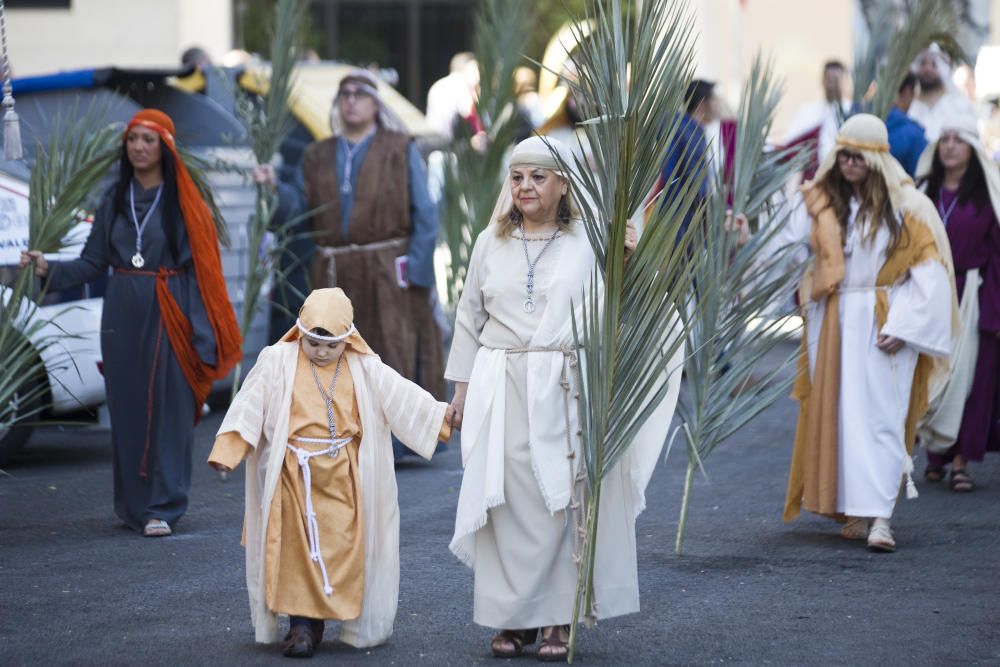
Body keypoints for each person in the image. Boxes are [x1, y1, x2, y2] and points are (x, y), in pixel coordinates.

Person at [444, 136, 679, 661]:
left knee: (561, 498)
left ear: (564, 184)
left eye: (538, 177)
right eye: (518, 177)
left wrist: (629, 244)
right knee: (502, 499)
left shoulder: (588, 241)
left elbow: (628, 291)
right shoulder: (490, 243)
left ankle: (557, 619)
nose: (525, 187)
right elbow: (467, 318)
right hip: (501, 386)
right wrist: (459, 391)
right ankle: (512, 618)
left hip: (567, 384)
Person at [20, 109, 242, 537]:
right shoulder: (113, 200)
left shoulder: (184, 200)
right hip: (122, 310)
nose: (139, 147)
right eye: (133, 139)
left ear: (166, 148)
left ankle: (164, 506)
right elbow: (92, 263)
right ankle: (134, 506)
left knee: (170, 410)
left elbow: (204, 271)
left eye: (149, 139)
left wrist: (201, 332)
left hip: (171, 310)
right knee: (128, 409)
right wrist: (47, 268)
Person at [208, 288, 450, 658]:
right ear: (299, 333)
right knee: (293, 552)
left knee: (338, 551)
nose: (321, 352)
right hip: (293, 475)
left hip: (342, 480)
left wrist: (444, 418)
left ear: (348, 339)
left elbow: (402, 396)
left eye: (331, 345)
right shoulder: (278, 360)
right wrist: (229, 449)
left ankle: (323, 619)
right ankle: (301, 627)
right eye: (313, 343)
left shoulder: (363, 366)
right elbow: (249, 405)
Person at [781, 114, 957, 553]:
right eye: (844, 155)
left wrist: (904, 326)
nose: (851, 163)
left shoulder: (907, 210)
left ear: (877, 160)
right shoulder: (827, 204)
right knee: (842, 416)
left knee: (882, 418)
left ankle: (882, 517)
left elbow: (930, 273)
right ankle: (857, 512)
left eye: (859, 155)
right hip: (837, 319)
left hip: (885, 319)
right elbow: (803, 256)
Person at [255, 69, 445, 434]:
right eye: (345, 95)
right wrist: (274, 188)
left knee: (391, 352)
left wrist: (415, 272)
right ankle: (343, 430)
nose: (352, 100)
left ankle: (399, 438)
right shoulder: (317, 154)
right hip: (333, 272)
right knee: (337, 356)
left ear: (376, 104)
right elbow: (298, 208)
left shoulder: (398, 148)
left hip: (387, 269)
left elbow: (426, 213)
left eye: (360, 94)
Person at [916, 111, 1000, 491]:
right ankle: (935, 453)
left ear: (971, 148)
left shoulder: (987, 196)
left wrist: (995, 310)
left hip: (974, 294)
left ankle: (961, 460)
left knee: (969, 379)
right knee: (932, 373)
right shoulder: (923, 192)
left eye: (958, 140)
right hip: (930, 294)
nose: (950, 146)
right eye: (945, 139)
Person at [784, 61, 855, 173]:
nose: (832, 84)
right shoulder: (807, 111)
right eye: (829, 79)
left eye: (836, 79)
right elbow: (791, 143)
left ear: (844, 81)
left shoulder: (853, 110)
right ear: (822, 80)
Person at [909, 43, 977, 143]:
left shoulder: (959, 105)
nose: (928, 69)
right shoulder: (908, 106)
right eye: (923, 63)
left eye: (934, 64)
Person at [425, 52, 480, 143]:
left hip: (430, 140)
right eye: (476, 69)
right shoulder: (460, 85)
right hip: (446, 146)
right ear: (467, 68)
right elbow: (470, 115)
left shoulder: (440, 84)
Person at [886, 72, 929, 177]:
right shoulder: (914, 134)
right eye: (915, 94)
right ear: (908, 91)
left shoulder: (863, 120)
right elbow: (921, 175)